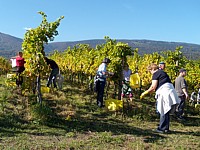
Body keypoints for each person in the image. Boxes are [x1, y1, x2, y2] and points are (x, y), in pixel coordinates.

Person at [140, 63, 180, 133]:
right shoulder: (163, 73)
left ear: (152, 69)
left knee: (163, 110)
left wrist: (145, 92)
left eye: (150, 71)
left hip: (164, 92)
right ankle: (166, 128)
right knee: (166, 110)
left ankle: (161, 128)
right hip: (170, 91)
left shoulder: (156, 73)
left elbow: (153, 86)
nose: (150, 73)